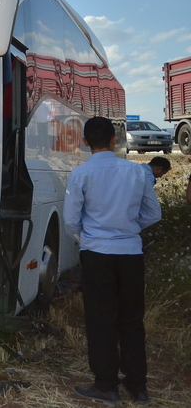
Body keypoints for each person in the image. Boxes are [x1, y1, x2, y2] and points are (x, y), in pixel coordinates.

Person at [64, 116, 160, 405]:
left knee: (101, 320)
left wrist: (88, 239)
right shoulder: (138, 172)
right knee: (131, 321)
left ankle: (106, 386)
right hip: (130, 254)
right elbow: (153, 214)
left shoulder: (80, 174)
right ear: (114, 140)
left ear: (84, 143)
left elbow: (71, 221)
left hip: (97, 255)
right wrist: (128, 230)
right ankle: (138, 386)